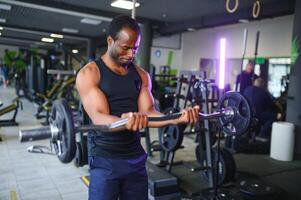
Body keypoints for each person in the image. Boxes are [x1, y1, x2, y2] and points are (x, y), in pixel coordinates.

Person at [76, 15, 200, 200]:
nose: (130, 54)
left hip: (135, 159)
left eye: (135, 49)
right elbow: (99, 117)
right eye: (125, 48)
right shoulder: (90, 74)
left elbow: (149, 112)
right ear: (110, 41)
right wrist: (126, 121)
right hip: (105, 160)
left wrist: (177, 118)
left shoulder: (141, 76)